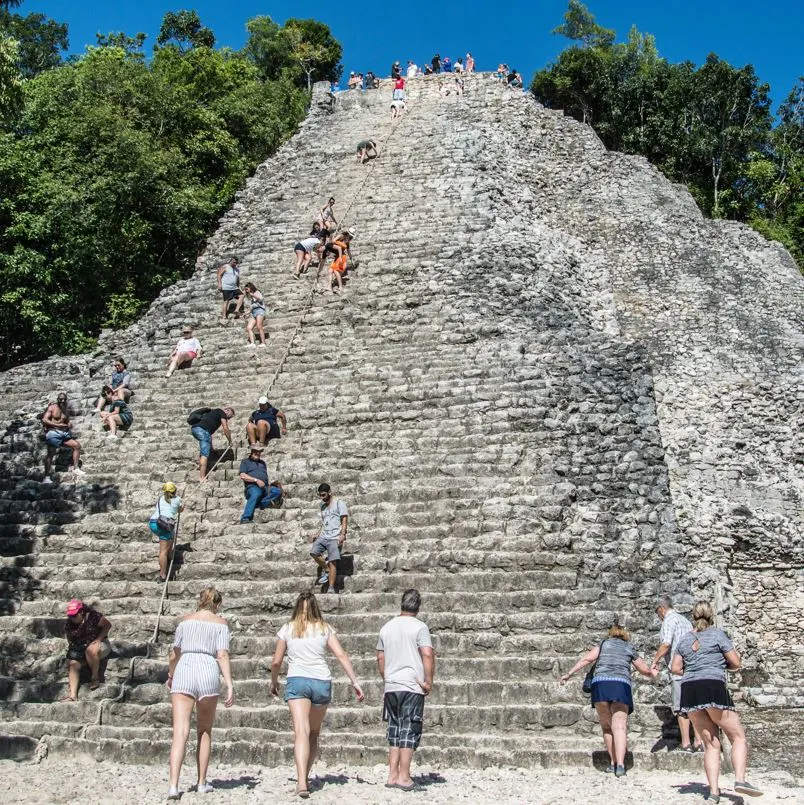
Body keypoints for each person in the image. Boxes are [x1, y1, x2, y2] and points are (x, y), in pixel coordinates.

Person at [271, 592, 365, 798]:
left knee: (300, 731)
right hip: (321, 682)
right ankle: (306, 774)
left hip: (298, 681)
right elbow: (340, 654)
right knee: (313, 732)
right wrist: (354, 681)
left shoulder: (287, 628)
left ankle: (302, 780)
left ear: (297, 607)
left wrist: (274, 681)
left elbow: (276, 661)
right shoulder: (325, 628)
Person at [671, 602, 763, 801]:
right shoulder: (717, 634)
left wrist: (693, 669)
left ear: (693, 616)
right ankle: (740, 779)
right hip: (712, 685)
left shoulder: (685, 639)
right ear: (711, 615)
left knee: (710, 744)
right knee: (737, 736)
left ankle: (713, 792)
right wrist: (720, 666)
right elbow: (736, 662)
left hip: (690, 689)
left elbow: (675, 668)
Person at [560, 624, 657, 777]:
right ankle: (620, 765)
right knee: (620, 727)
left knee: (607, 726)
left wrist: (569, 673)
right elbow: (644, 669)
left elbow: (587, 659)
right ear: (624, 635)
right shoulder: (628, 647)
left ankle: (612, 762)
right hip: (620, 685)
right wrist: (652, 673)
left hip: (600, 685)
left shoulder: (603, 644)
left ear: (610, 634)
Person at [166, 587, 234, 800]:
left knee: (180, 731)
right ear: (217, 604)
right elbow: (222, 655)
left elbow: (174, 653)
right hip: (207, 669)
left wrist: (171, 674)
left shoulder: (185, 621)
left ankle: (173, 785)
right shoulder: (221, 624)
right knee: (204, 730)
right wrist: (229, 683)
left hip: (185, 667)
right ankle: (202, 782)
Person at [376, 589, 435, 791]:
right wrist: (428, 680)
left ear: (401, 604)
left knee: (394, 729)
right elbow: (427, 654)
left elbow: (380, 658)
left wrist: (387, 677)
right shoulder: (420, 627)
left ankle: (392, 775)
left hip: (392, 685)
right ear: (418, 606)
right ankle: (404, 776)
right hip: (412, 684)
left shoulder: (386, 627)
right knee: (409, 729)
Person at [650, 595, 703, 752]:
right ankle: (699, 741)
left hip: (678, 671)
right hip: (693, 669)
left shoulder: (669, 621)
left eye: (657, 612)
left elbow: (666, 644)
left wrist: (655, 660)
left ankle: (686, 742)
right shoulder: (685, 621)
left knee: (681, 708)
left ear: (661, 608)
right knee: (695, 706)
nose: (658, 615)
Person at [62, 599, 111, 701]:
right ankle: (73, 695)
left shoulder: (93, 616)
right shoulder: (69, 623)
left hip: (99, 644)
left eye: (75, 615)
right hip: (82, 648)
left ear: (81, 612)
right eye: (71, 616)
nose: (73, 618)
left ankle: (95, 678)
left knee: (91, 650)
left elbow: (107, 625)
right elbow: (69, 638)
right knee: (73, 664)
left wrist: (98, 640)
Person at [309, 483, 348, 594]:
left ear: (329, 492)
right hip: (324, 535)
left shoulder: (339, 504)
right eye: (320, 495)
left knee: (332, 562)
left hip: (335, 536)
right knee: (313, 552)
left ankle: (331, 587)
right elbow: (324, 523)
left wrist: (343, 534)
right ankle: (326, 570)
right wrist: (317, 534)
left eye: (323, 495)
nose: (322, 498)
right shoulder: (323, 507)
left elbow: (344, 519)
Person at [41, 392, 84, 482]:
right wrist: (57, 425)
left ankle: (76, 468)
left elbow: (67, 421)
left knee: (77, 445)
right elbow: (44, 419)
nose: (62, 401)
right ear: (58, 399)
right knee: (50, 454)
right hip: (54, 433)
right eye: (60, 399)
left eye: (64, 399)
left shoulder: (65, 409)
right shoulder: (52, 407)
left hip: (64, 433)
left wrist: (69, 424)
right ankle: (46, 477)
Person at [237, 442, 283, 523]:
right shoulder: (245, 462)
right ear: (252, 452)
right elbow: (242, 476)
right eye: (256, 452)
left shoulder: (263, 463)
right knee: (256, 493)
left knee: (276, 491)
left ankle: (260, 504)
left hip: (265, 487)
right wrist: (256, 480)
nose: (258, 453)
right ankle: (245, 518)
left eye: (259, 452)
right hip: (252, 487)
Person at [149, 481, 185, 583]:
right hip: (166, 526)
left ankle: (170, 555)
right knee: (163, 551)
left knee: (170, 537)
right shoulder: (177, 499)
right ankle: (163, 575)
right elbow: (180, 510)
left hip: (154, 523)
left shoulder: (160, 498)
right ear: (175, 491)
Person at [189, 406, 234, 480]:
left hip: (196, 429)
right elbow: (226, 429)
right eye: (230, 416)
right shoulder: (222, 413)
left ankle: (201, 464)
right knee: (205, 453)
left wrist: (212, 449)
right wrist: (230, 441)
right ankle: (202, 477)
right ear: (227, 411)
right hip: (201, 430)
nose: (228, 419)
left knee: (206, 443)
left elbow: (208, 434)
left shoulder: (213, 413)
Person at [243, 282, 267, 346]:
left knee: (259, 326)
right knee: (249, 327)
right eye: (245, 289)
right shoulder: (251, 298)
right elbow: (251, 308)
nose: (246, 291)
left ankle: (263, 343)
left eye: (247, 289)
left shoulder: (257, 292)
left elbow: (261, 299)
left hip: (260, 311)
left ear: (250, 288)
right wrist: (245, 313)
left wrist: (253, 295)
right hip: (254, 312)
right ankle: (252, 343)